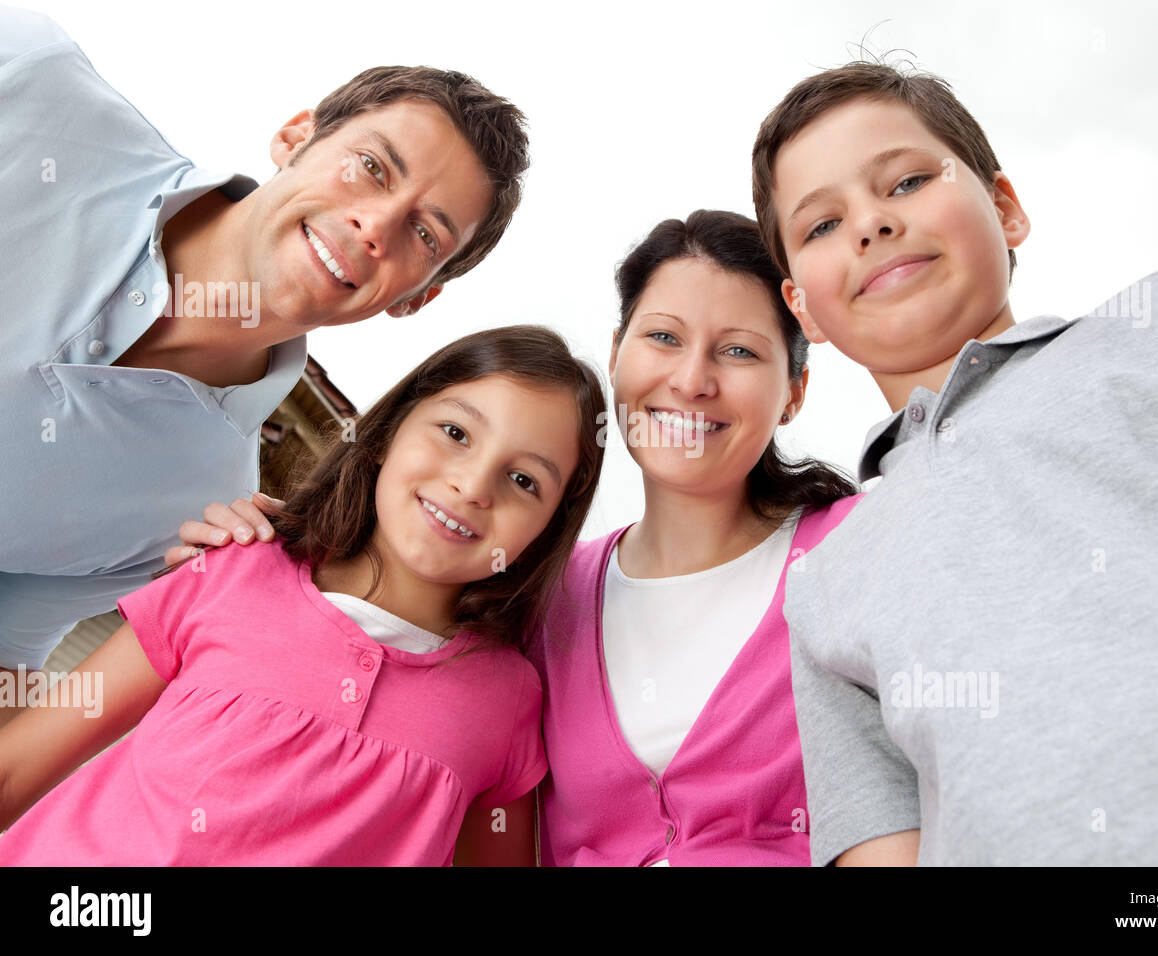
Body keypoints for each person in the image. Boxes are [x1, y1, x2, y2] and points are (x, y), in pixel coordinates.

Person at [166, 211, 876, 866]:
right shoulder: (537, 599)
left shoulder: (861, 551)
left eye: (740, 352)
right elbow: (379, 644)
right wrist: (277, 547)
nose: (692, 380)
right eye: (662, 337)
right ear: (617, 352)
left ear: (794, 391)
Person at [751, 61, 1158, 865]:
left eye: (904, 182)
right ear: (804, 306)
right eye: (822, 225)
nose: (870, 224)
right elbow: (881, 840)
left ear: (1005, 209)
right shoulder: (828, 584)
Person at [0, 6, 529, 710]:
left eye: (425, 234)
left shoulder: (199, 510)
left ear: (415, 300)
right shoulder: (29, 75)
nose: (374, 226)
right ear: (296, 135)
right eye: (371, 167)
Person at [0, 326, 605, 866]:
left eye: (524, 480)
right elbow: (17, 767)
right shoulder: (233, 571)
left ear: (549, 527)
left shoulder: (507, 703)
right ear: (391, 429)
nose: (472, 486)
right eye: (455, 432)